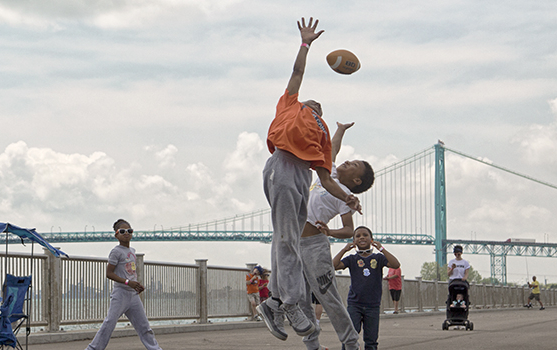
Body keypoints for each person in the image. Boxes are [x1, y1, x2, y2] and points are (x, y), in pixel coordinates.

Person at [257, 17, 361, 342]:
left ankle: (274, 301)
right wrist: (305, 44)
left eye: (320, 107)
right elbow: (298, 73)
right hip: (283, 166)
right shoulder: (291, 104)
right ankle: (288, 304)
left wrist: (348, 199)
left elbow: (327, 178)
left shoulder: (322, 132)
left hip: (302, 176)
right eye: (312, 102)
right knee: (288, 239)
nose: (316, 103)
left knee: (284, 237)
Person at [297, 121, 374, 350]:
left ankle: (351, 344)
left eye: (354, 165)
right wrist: (340, 130)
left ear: (356, 180)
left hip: (314, 245)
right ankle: (312, 345)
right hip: (294, 242)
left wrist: (330, 231)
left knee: (328, 297)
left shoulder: (346, 195)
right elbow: (333, 149)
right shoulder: (327, 176)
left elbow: (349, 230)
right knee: (300, 298)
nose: (347, 162)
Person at [85, 219, 162, 350]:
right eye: (122, 231)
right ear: (116, 235)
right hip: (120, 294)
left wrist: (136, 285)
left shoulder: (132, 250)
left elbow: (129, 272)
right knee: (109, 323)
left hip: (133, 294)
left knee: (144, 327)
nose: (126, 233)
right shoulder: (116, 252)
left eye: (129, 231)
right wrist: (128, 282)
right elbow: (109, 273)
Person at [333, 226, 400, 350]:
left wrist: (381, 249)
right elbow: (333, 265)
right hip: (355, 304)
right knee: (350, 337)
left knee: (371, 339)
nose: (362, 237)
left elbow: (396, 264)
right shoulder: (352, 259)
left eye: (365, 235)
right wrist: (344, 250)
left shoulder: (378, 258)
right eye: (357, 236)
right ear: (354, 241)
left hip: (373, 305)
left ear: (371, 240)